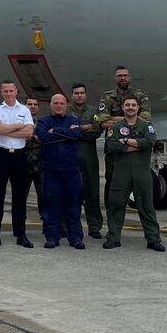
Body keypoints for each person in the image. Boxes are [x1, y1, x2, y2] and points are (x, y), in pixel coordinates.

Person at [103, 97, 164, 251]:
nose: (130, 107)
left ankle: (153, 239)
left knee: (147, 206)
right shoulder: (115, 127)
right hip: (121, 172)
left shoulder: (146, 126)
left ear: (138, 108)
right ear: (123, 108)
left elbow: (150, 142)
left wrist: (125, 141)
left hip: (141, 172)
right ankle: (113, 237)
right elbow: (113, 145)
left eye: (133, 105)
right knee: (116, 205)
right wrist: (137, 144)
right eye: (127, 105)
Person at [95, 66, 152, 207]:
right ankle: (111, 211)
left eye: (125, 75)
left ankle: (143, 209)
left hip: (137, 146)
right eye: (120, 76)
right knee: (112, 179)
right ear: (115, 78)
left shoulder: (139, 94)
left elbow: (146, 119)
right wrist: (131, 118)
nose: (123, 78)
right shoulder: (107, 96)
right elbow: (102, 121)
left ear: (130, 77)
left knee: (139, 180)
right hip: (114, 147)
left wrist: (114, 120)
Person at [0, 80, 35, 248]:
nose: (8, 94)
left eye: (11, 91)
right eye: (5, 91)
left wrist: (6, 129)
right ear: (1, 93)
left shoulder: (24, 110)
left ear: (17, 91)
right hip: (1, 155)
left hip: (19, 156)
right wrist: (17, 126)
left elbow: (29, 132)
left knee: (19, 197)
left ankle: (20, 234)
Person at [34, 94, 84, 249]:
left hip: (71, 170)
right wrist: (65, 134)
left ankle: (75, 238)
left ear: (66, 105)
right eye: (56, 103)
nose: (59, 105)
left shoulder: (73, 120)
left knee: (73, 205)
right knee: (51, 205)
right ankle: (52, 237)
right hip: (51, 170)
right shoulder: (43, 120)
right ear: (50, 105)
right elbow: (42, 137)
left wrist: (54, 131)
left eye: (62, 103)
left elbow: (75, 135)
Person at [66, 83, 105, 239]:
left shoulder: (94, 111)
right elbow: (63, 130)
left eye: (82, 93)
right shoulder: (66, 111)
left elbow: (96, 131)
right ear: (72, 95)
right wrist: (84, 128)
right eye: (76, 93)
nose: (79, 95)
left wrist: (74, 131)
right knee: (70, 193)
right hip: (70, 156)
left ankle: (94, 226)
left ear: (86, 95)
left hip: (88, 157)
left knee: (92, 192)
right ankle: (70, 225)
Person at [24, 97, 44, 224]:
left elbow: (46, 139)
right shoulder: (20, 121)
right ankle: (19, 224)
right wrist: (36, 139)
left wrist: (28, 137)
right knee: (21, 195)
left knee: (43, 195)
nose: (32, 106)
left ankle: (47, 223)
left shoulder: (44, 122)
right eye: (29, 104)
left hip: (41, 164)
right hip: (23, 164)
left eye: (35, 104)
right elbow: (18, 141)